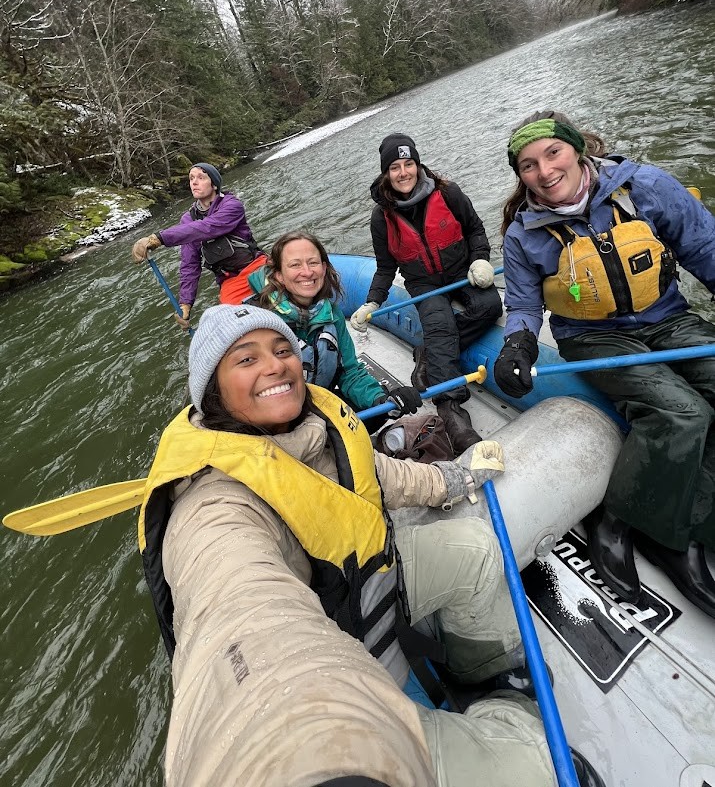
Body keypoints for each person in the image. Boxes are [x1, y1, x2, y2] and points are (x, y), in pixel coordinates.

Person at [139, 303, 560, 787]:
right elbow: (237, 613)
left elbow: (380, 475)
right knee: (534, 764)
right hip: (337, 652)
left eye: (281, 350)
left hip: (373, 580)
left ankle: (483, 676)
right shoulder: (213, 508)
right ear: (212, 391)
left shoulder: (316, 423)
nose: (275, 365)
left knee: (478, 552)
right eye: (246, 359)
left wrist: (459, 477)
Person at [494, 110, 715, 618]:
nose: (545, 172)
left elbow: (703, 246)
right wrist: (518, 347)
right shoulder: (522, 235)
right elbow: (526, 306)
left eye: (553, 153)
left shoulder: (648, 186)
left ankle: (688, 502)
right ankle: (643, 525)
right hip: (593, 338)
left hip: (668, 321)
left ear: (576, 149)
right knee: (684, 413)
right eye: (528, 165)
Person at [350, 133, 502, 454]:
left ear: (418, 165)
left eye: (409, 164)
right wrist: (372, 301)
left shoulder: (449, 193)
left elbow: (475, 229)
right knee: (440, 326)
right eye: (395, 167)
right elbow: (385, 267)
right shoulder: (381, 218)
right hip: (424, 284)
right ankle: (452, 410)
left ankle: (429, 355)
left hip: (462, 270)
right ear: (386, 173)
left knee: (489, 306)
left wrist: (480, 260)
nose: (403, 172)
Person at [245, 230, 423, 422]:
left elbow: (350, 373)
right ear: (279, 275)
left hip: (313, 404)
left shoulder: (332, 314)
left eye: (312, 263)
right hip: (273, 415)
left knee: (377, 413)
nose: (307, 272)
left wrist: (382, 399)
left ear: (323, 267)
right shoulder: (257, 320)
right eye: (295, 265)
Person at [131, 163, 266, 328]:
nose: (194, 182)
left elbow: (207, 227)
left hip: (256, 267)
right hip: (229, 280)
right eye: (191, 178)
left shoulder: (232, 206)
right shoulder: (187, 220)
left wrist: (160, 238)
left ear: (214, 184)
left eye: (201, 178)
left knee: (281, 303)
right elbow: (190, 264)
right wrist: (186, 303)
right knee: (236, 326)